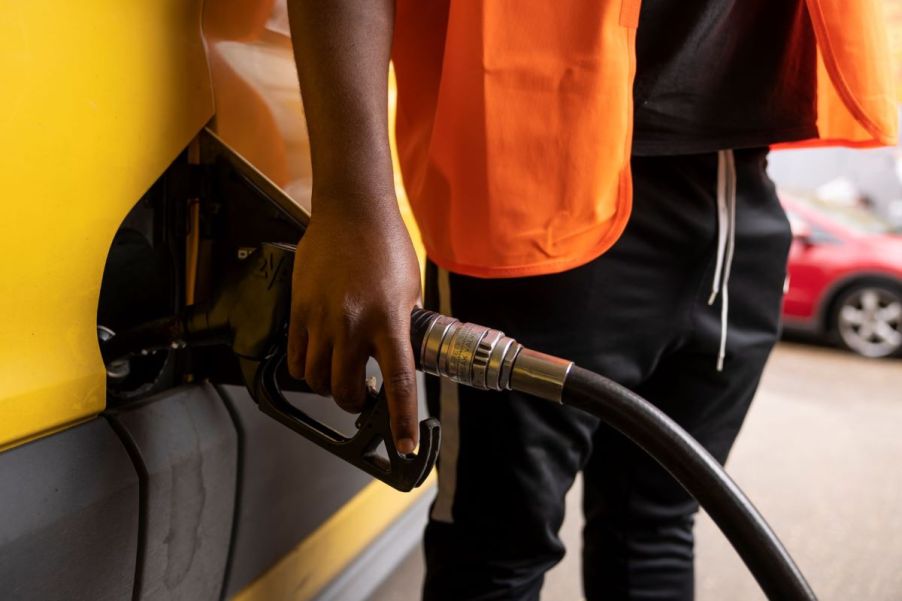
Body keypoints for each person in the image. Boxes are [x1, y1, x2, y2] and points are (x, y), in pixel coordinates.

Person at [284, 1, 896, 599]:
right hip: (535, 202)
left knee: (656, 528)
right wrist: (351, 206)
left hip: (741, 203)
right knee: (497, 549)